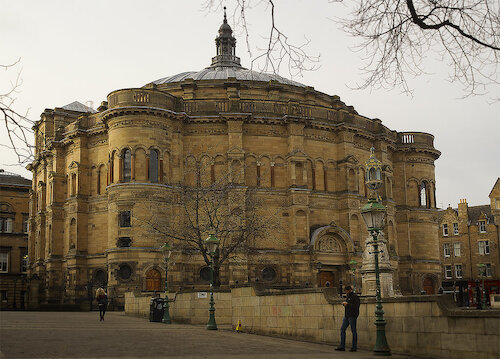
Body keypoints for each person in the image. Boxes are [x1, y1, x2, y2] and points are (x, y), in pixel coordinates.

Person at [335, 285, 360, 352]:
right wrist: (345, 304)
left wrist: (347, 304)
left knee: (353, 331)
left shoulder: (355, 297)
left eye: (346, 291)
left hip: (352, 316)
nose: (346, 292)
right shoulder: (348, 296)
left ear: (349, 290)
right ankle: (342, 346)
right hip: (347, 316)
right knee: (342, 329)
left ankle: (354, 347)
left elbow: (356, 306)